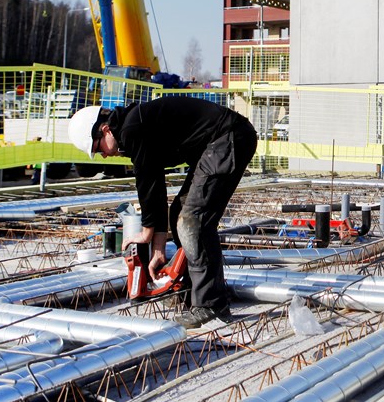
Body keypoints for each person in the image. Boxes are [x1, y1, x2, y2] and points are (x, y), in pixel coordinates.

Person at [68, 97, 257, 329]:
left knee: (193, 222)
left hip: (227, 138)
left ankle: (211, 304)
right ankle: (194, 292)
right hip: (219, 142)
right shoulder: (135, 125)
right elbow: (155, 185)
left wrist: (146, 233)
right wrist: (158, 249)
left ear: (105, 129)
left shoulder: (131, 129)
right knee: (180, 213)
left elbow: (148, 185)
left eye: (99, 148)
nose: (103, 155)